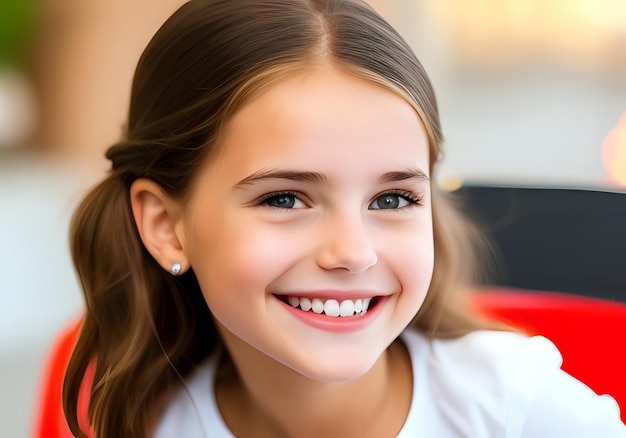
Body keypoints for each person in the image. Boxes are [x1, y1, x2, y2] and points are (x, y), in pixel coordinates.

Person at [62, 1, 626, 437]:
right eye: (284, 199)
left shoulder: (521, 412)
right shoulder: (149, 421)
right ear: (165, 225)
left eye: (392, 199)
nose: (354, 252)